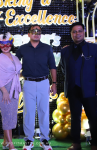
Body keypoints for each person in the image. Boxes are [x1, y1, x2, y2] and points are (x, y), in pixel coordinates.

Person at [16, 25, 57, 150]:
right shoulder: (22, 49)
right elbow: (15, 68)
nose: (36, 33)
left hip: (44, 82)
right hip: (28, 83)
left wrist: (54, 83)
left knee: (44, 111)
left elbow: (52, 67)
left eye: (38, 31)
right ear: (28, 34)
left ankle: (44, 139)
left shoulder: (47, 48)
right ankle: (29, 140)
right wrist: (19, 77)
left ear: (41, 34)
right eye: (33, 31)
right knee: (28, 112)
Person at [60, 22, 97, 150]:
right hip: (72, 89)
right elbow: (63, 68)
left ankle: (95, 144)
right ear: (71, 34)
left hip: (90, 89)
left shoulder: (94, 48)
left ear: (84, 32)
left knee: (93, 117)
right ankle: (76, 144)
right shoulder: (65, 51)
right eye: (74, 31)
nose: (77, 34)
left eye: (79, 31)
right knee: (75, 118)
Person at [0, 32, 22, 150]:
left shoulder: (14, 57)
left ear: (11, 44)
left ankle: (5, 141)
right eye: (3, 45)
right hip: (4, 89)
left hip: (14, 88)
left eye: (8, 44)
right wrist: (4, 91)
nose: (5, 46)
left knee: (11, 115)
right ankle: (11, 145)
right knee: (7, 115)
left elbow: (17, 73)